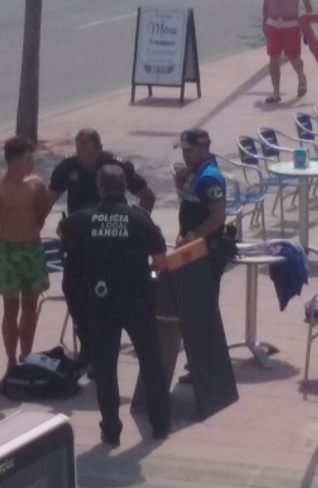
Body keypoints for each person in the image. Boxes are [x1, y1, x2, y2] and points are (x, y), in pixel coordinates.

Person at [58, 165, 171, 446]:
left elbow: (63, 232)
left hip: (100, 302)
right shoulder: (140, 219)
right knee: (151, 363)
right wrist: (151, 277)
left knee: (106, 369)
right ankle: (159, 424)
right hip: (137, 300)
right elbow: (160, 262)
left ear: (100, 188)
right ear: (123, 187)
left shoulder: (83, 219)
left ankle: (111, 430)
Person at [46, 128, 155, 369]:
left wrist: (139, 224)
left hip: (113, 242)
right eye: (80, 153)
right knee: (73, 290)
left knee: (114, 297)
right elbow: (47, 202)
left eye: (90, 155)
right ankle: (88, 347)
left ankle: (107, 351)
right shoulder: (67, 168)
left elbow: (147, 195)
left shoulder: (116, 168)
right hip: (80, 242)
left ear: (100, 148)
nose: (85, 160)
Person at [0, 136, 50, 377]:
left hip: (32, 249)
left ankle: (27, 354)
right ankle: (11, 360)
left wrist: (29, 234)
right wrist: (6, 243)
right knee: (10, 309)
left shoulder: (36, 184)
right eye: (27, 159)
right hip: (9, 252)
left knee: (30, 306)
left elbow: (40, 215)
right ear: (13, 161)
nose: (31, 163)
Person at [173, 129, 234, 384]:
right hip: (194, 248)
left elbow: (218, 216)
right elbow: (190, 204)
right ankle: (199, 365)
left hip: (208, 250)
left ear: (204, 148)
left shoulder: (209, 178)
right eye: (183, 150)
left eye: (190, 150)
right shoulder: (195, 173)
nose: (186, 155)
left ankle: (207, 368)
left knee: (204, 309)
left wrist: (193, 236)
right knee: (195, 308)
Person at [262, 0, 312, 104]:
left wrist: (308, 26)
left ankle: (301, 77)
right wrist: (264, 22)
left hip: (291, 25)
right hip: (272, 24)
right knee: (273, 58)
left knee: (294, 59)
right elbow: (266, 3)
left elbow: (307, 4)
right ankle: (276, 92)